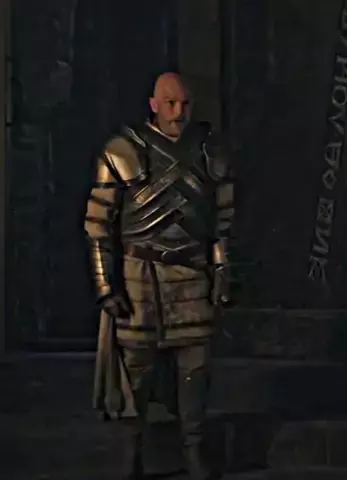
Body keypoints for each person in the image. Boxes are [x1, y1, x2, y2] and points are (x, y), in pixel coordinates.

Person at [84, 72, 234, 480]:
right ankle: (131, 455)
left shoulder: (210, 150)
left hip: (192, 273)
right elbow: (99, 224)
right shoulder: (123, 150)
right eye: (169, 103)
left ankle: (194, 449)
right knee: (136, 370)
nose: (177, 112)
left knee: (195, 367)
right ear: (153, 104)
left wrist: (222, 271)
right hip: (140, 274)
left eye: (184, 104)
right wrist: (106, 285)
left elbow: (222, 222)